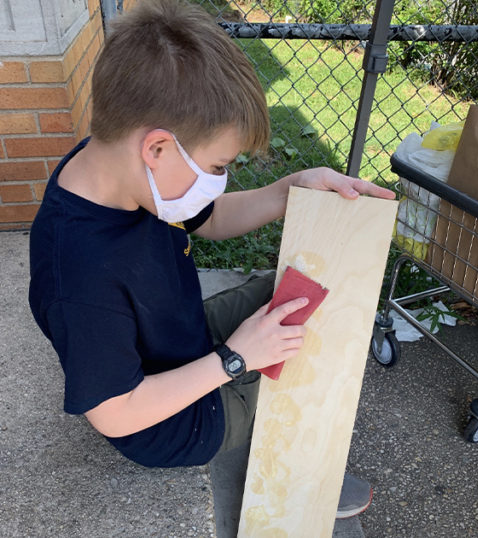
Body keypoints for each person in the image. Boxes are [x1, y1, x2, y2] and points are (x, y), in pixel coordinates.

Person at [26, 0, 395, 532]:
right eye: (218, 165)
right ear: (156, 147)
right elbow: (115, 411)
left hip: (187, 341)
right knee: (307, 354)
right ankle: (302, 473)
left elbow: (210, 216)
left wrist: (291, 188)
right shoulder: (78, 274)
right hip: (177, 422)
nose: (220, 179)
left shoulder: (118, 168)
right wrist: (235, 359)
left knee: (322, 294)